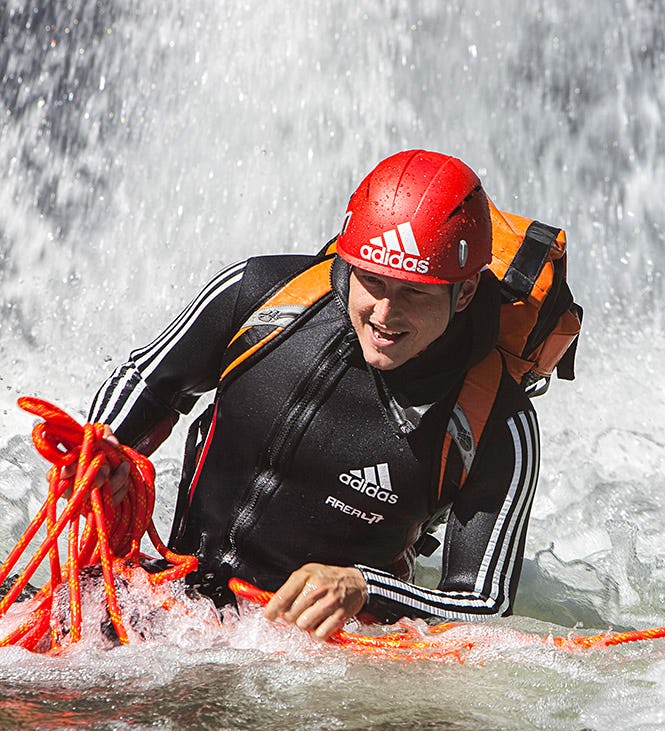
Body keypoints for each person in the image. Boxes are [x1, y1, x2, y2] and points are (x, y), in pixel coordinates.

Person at [88, 150, 542, 641]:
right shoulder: (260, 294)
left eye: (414, 293)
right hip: (170, 597)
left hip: (319, 658)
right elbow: (146, 381)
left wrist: (364, 586)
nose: (384, 314)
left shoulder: (496, 418)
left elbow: (484, 605)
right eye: (371, 280)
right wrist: (99, 452)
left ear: (467, 292)